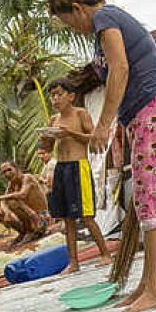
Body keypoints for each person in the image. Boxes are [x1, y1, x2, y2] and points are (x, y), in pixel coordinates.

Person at [47, 0, 156, 312]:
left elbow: (120, 69)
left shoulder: (105, 18)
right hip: (147, 117)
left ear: (78, 9)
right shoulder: (107, 23)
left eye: (69, 22)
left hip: (155, 114)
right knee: (144, 201)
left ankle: (155, 289)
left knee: (150, 203)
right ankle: (145, 284)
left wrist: (104, 125)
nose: (74, 29)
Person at [40, 77, 112, 273]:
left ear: (71, 96)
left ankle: (105, 253)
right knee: (67, 219)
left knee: (86, 216)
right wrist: (45, 139)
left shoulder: (81, 114)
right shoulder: (53, 120)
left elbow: (92, 138)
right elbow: (47, 147)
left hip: (79, 167)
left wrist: (71, 133)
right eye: (52, 95)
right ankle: (73, 262)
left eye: (59, 94)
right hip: (61, 169)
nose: (55, 99)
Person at [0, 161, 50, 243]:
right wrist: (7, 213)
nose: (7, 174)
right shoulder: (12, 184)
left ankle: (31, 231)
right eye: (4, 172)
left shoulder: (27, 177)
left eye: (9, 170)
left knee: (13, 202)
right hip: (30, 217)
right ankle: (23, 232)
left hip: (41, 218)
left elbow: (22, 194)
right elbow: (3, 201)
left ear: (17, 169)